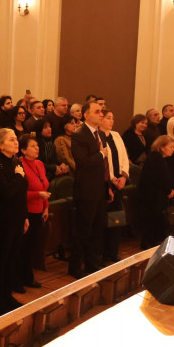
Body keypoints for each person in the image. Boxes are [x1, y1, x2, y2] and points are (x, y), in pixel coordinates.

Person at [69, 102, 112, 278]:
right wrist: (101, 154)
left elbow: (104, 165)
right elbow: (83, 162)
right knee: (83, 230)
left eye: (101, 111)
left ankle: (92, 264)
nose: (101, 114)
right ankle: (75, 267)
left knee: (97, 229)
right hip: (86, 190)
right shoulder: (79, 135)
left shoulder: (99, 134)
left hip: (100, 188)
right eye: (97, 111)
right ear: (86, 115)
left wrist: (107, 186)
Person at [0, 128, 29, 314]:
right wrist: (18, 177)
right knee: (2, 259)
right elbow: (6, 193)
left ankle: (7, 294)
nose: (16, 142)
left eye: (16, 139)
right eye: (11, 139)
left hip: (18, 217)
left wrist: (25, 216)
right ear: (0, 144)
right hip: (4, 219)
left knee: (12, 258)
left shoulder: (16, 161)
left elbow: (22, 190)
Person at [18, 134, 50, 289]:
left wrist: (46, 206)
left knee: (33, 247)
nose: (37, 148)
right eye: (32, 146)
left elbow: (44, 186)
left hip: (39, 211)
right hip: (26, 212)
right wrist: (38, 195)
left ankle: (28, 277)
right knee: (24, 247)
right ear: (23, 150)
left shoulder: (40, 164)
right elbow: (19, 193)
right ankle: (22, 278)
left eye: (37, 145)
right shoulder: (20, 165)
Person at [99, 109, 129, 263]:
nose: (112, 121)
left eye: (112, 118)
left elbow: (124, 156)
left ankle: (113, 251)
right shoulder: (98, 136)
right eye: (108, 118)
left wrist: (124, 176)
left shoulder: (116, 135)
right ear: (101, 119)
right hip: (106, 182)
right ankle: (103, 252)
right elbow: (104, 162)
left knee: (117, 218)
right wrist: (112, 179)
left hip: (120, 182)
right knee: (104, 219)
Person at [138, 136, 174, 249]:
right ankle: (149, 244)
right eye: (171, 147)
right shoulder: (156, 159)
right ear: (162, 147)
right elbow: (160, 178)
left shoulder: (157, 158)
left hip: (153, 195)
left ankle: (154, 242)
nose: (173, 149)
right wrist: (168, 190)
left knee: (155, 219)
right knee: (152, 219)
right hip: (152, 196)